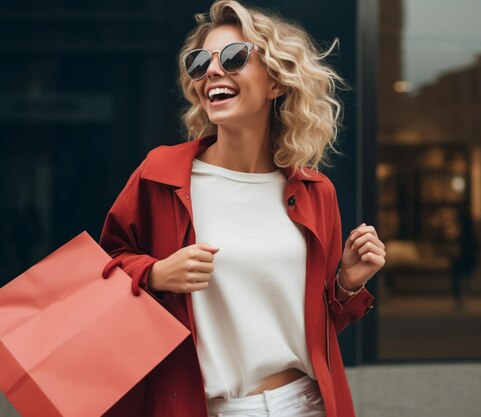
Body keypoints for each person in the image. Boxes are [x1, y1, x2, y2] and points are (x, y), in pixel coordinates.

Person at [99, 1, 385, 416]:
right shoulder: (160, 175)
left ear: (276, 83)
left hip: (306, 403)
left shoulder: (314, 191)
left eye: (233, 58)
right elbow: (106, 267)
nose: (212, 71)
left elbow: (314, 328)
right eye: (199, 63)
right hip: (211, 407)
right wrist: (156, 273)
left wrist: (346, 284)